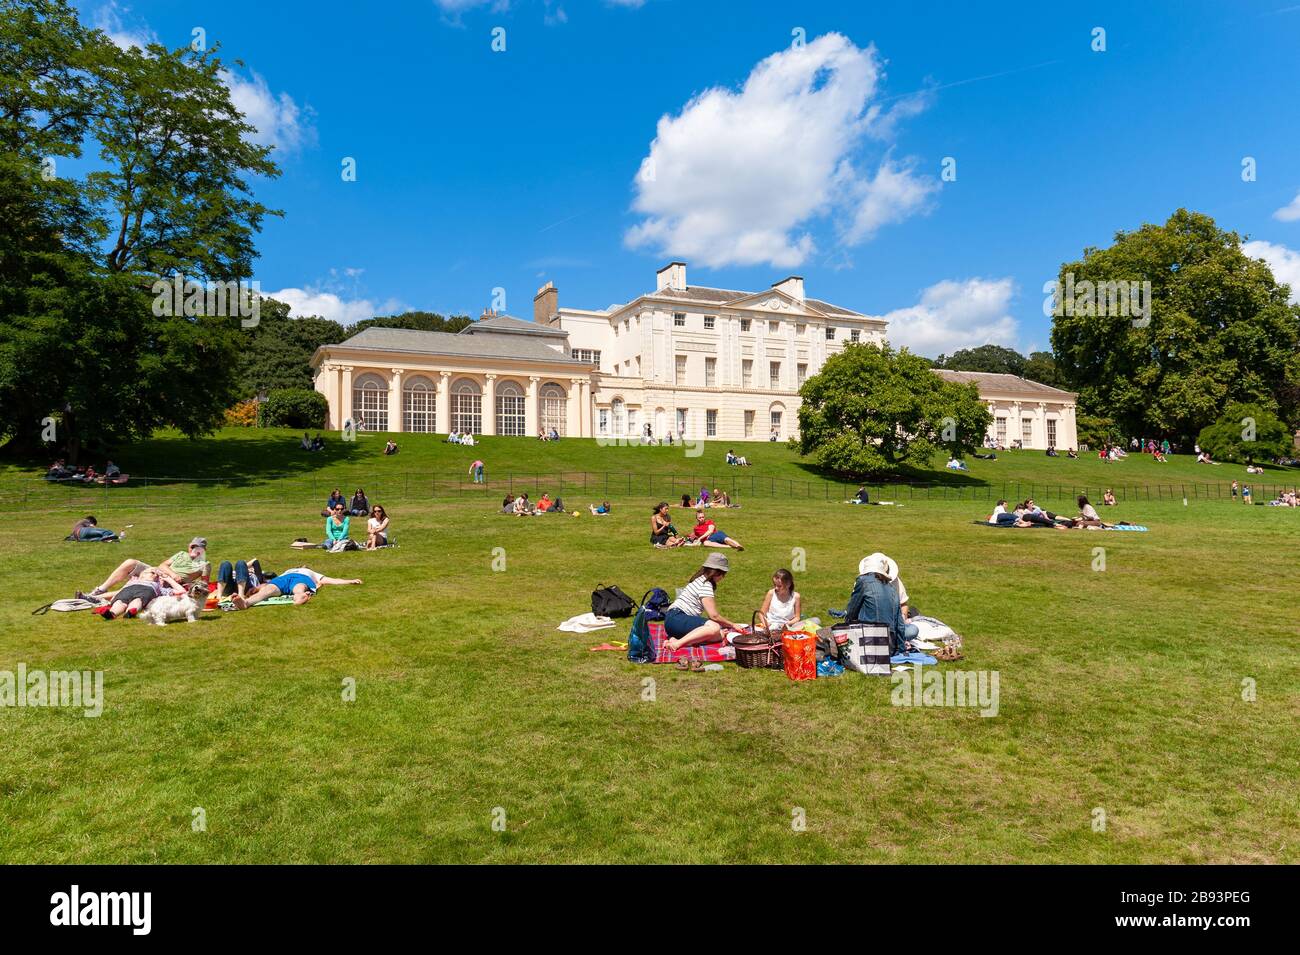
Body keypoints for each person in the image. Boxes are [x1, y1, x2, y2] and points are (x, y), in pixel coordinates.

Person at [81, 538, 210, 599]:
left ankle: (95, 598)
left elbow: (204, 584)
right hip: (159, 572)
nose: (194, 550)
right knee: (130, 562)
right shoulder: (181, 554)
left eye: (197, 548)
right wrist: (171, 574)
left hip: (170, 584)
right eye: (192, 546)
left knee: (137, 587)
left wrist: (184, 583)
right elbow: (162, 565)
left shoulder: (204, 564)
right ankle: (100, 590)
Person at [663, 553, 740, 652]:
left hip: (672, 622)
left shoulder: (699, 579)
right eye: (723, 574)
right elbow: (713, 616)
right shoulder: (705, 586)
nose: (723, 577)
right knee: (715, 628)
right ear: (717, 572)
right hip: (677, 618)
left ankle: (674, 639)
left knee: (719, 635)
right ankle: (677, 644)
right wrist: (732, 625)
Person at [845, 553, 918, 653]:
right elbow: (900, 625)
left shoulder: (863, 582)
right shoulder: (892, 589)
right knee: (912, 630)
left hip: (868, 642)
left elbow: (852, 611)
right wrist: (901, 649)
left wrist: (846, 628)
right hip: (889, 647)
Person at [230, 567, 362, 609]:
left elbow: (331, 580)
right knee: (267, 590)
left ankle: (299, 598)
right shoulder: (288, 570)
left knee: (299, 588)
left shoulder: (310, 572)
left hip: (302, 579)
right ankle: (245, 603)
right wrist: (257, 588)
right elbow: (266, 584)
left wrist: (350, 581)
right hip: (283, 579)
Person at [101, 567, 186, 620]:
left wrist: (167, 578)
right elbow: (120, 591)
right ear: (142, 575)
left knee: (138, 600)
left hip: (147, 590)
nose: (156, 575)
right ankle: (111, 613)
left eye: (159, 576)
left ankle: (130, 612)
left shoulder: (159, 587)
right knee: (119, 602)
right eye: (153, 573)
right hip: (127, 590)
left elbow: (182, 591)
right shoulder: (133, 580)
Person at [759, 569, 802, 633]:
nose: (776, 588)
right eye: (774, 585)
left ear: (788, 584)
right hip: (771, 625)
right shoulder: (771, 593)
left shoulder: (796, 596)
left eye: (779, 586)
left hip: (787, 626)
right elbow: (761, 613)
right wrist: (765, 624)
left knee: (815, 620)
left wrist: (787, 624)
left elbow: (797, 617)